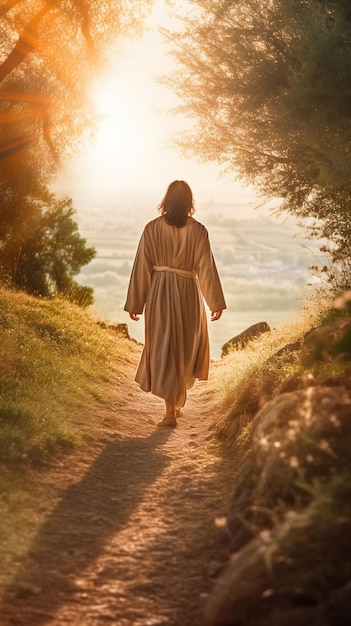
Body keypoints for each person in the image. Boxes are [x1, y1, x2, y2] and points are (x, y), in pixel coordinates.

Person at [124, 180, 226, 427]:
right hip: (189, 293)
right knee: (183, 346)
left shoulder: (151, 229)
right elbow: (206, 269)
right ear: (190, 202)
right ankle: (172, 408)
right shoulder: (199, 230)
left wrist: (136, 302)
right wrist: (215, 302)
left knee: (164, 346)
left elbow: (141, 268)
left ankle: (171, 409)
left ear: (166, 200)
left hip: (159, 292)